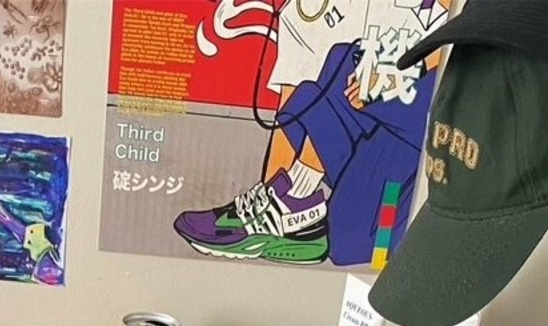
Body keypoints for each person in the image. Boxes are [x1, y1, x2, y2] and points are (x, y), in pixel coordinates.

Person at [174, 0, 449, 266]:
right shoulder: (300, 15)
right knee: (339, 242)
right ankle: (288, 202)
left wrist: (401, 71)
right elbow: (293, 107)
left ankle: (294, 199)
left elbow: (459, 33)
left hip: (441, 119)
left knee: (355, 62)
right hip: (384, 129)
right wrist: (270, 201)